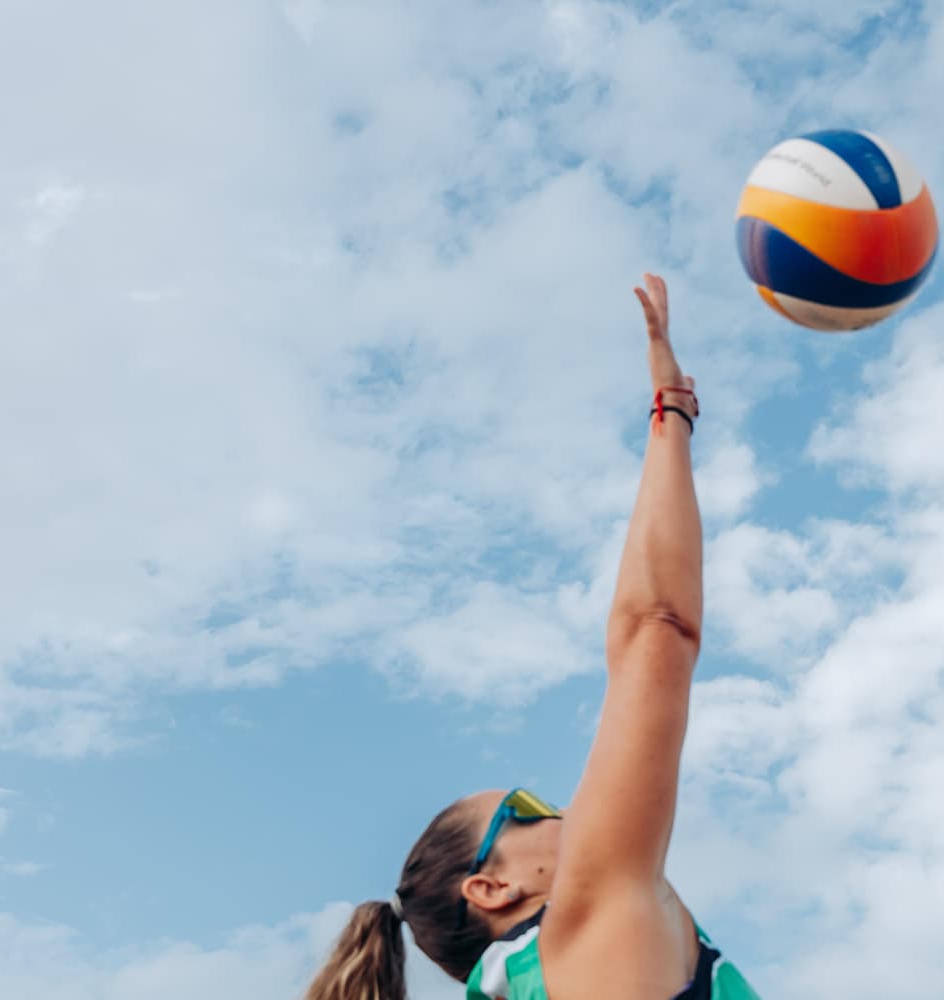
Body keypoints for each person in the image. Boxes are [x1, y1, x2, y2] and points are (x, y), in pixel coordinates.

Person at [301, 273, 758, 1000]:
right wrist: (671, 414)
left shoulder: (528, 979)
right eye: (534, 811)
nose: (569, 810)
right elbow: (657, 628)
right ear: (493, 887)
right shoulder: (585, 928)